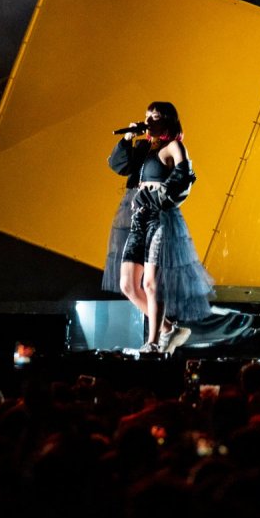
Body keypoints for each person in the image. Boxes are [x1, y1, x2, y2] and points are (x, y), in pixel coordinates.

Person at [108, 102, 213, 354]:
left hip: (160, 218)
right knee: (128, 285)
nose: (149, 121)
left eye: (154, 117)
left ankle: (153, 342)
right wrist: (128, 138)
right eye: (147, 117)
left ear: (167, 121)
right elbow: (118, 165)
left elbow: (184, 178)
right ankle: (168, 329)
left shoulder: (174, 147)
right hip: (138, 219)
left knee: (152, 283)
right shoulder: (143, 148)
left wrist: (155, 196)